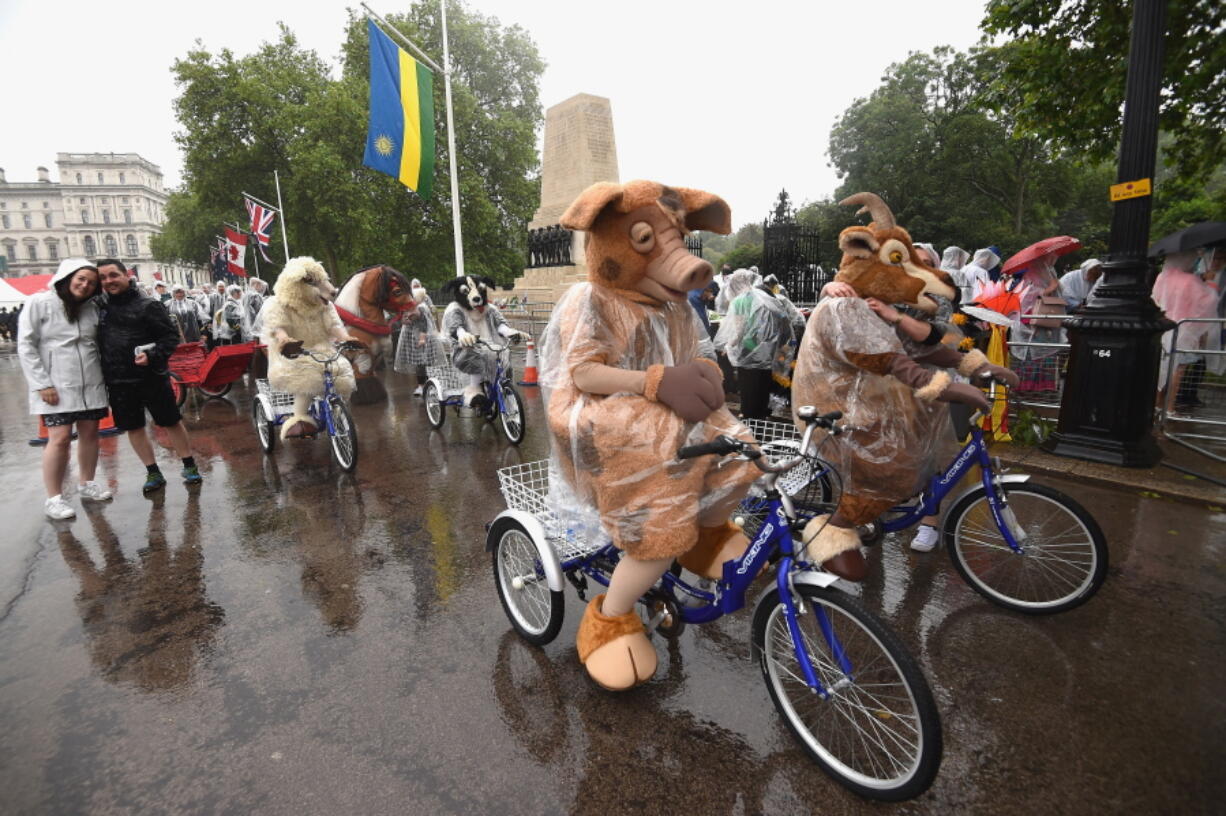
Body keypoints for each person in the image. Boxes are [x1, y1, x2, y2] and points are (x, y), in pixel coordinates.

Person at [17, 258, 114, 519]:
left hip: (91, 384)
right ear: (67, 277)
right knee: (59, 440)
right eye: (81, 279)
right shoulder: (40, 302)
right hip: (56, 386)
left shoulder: (92, 307)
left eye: (91, 283)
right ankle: (54, 498)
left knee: (91, 435)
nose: (85, 285)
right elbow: (26, 345)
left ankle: (87, 483)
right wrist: (41, 383)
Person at [96, 259, 202, 491]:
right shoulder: (100, 307)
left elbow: (170, 338)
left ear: (126, 275)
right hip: (118, 380)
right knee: (133, 427)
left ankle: (189, 465)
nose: (108, 281)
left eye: (113, 275)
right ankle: (153, 472)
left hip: (151, 377)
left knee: (170, 421)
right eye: (103, 278)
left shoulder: (148, 305)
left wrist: (152, 355)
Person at [715, 269, 794, 419]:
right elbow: (783, 319)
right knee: (763, 385)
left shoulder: (739, 300)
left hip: (748, 350)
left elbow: (739, 330)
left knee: (748, 388)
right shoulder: (765, 297)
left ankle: (750, 418)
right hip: (767, 349)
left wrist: (728, 346)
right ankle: (761, 415)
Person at [1153, 250, 1220, 412]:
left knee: (1162, 367)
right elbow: (1208, 303)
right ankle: (1170, 407)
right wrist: (1210, 283)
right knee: (1178, 370)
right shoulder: (1191, 280)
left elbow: (1155, 298)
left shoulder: (1162, 277)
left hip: (1163, 327)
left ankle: (1157, 404)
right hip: (1184, 329)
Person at [1010, 253, 1064, 392]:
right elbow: (1026, 299)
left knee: (1044, 355)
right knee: (1032, 355)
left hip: (1045, 326)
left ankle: (1043, 388)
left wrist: (1054, 287)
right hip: (1031, 327)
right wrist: (1048, 290)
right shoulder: (1030, 278)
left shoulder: (1049, 275)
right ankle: (1027, 389)